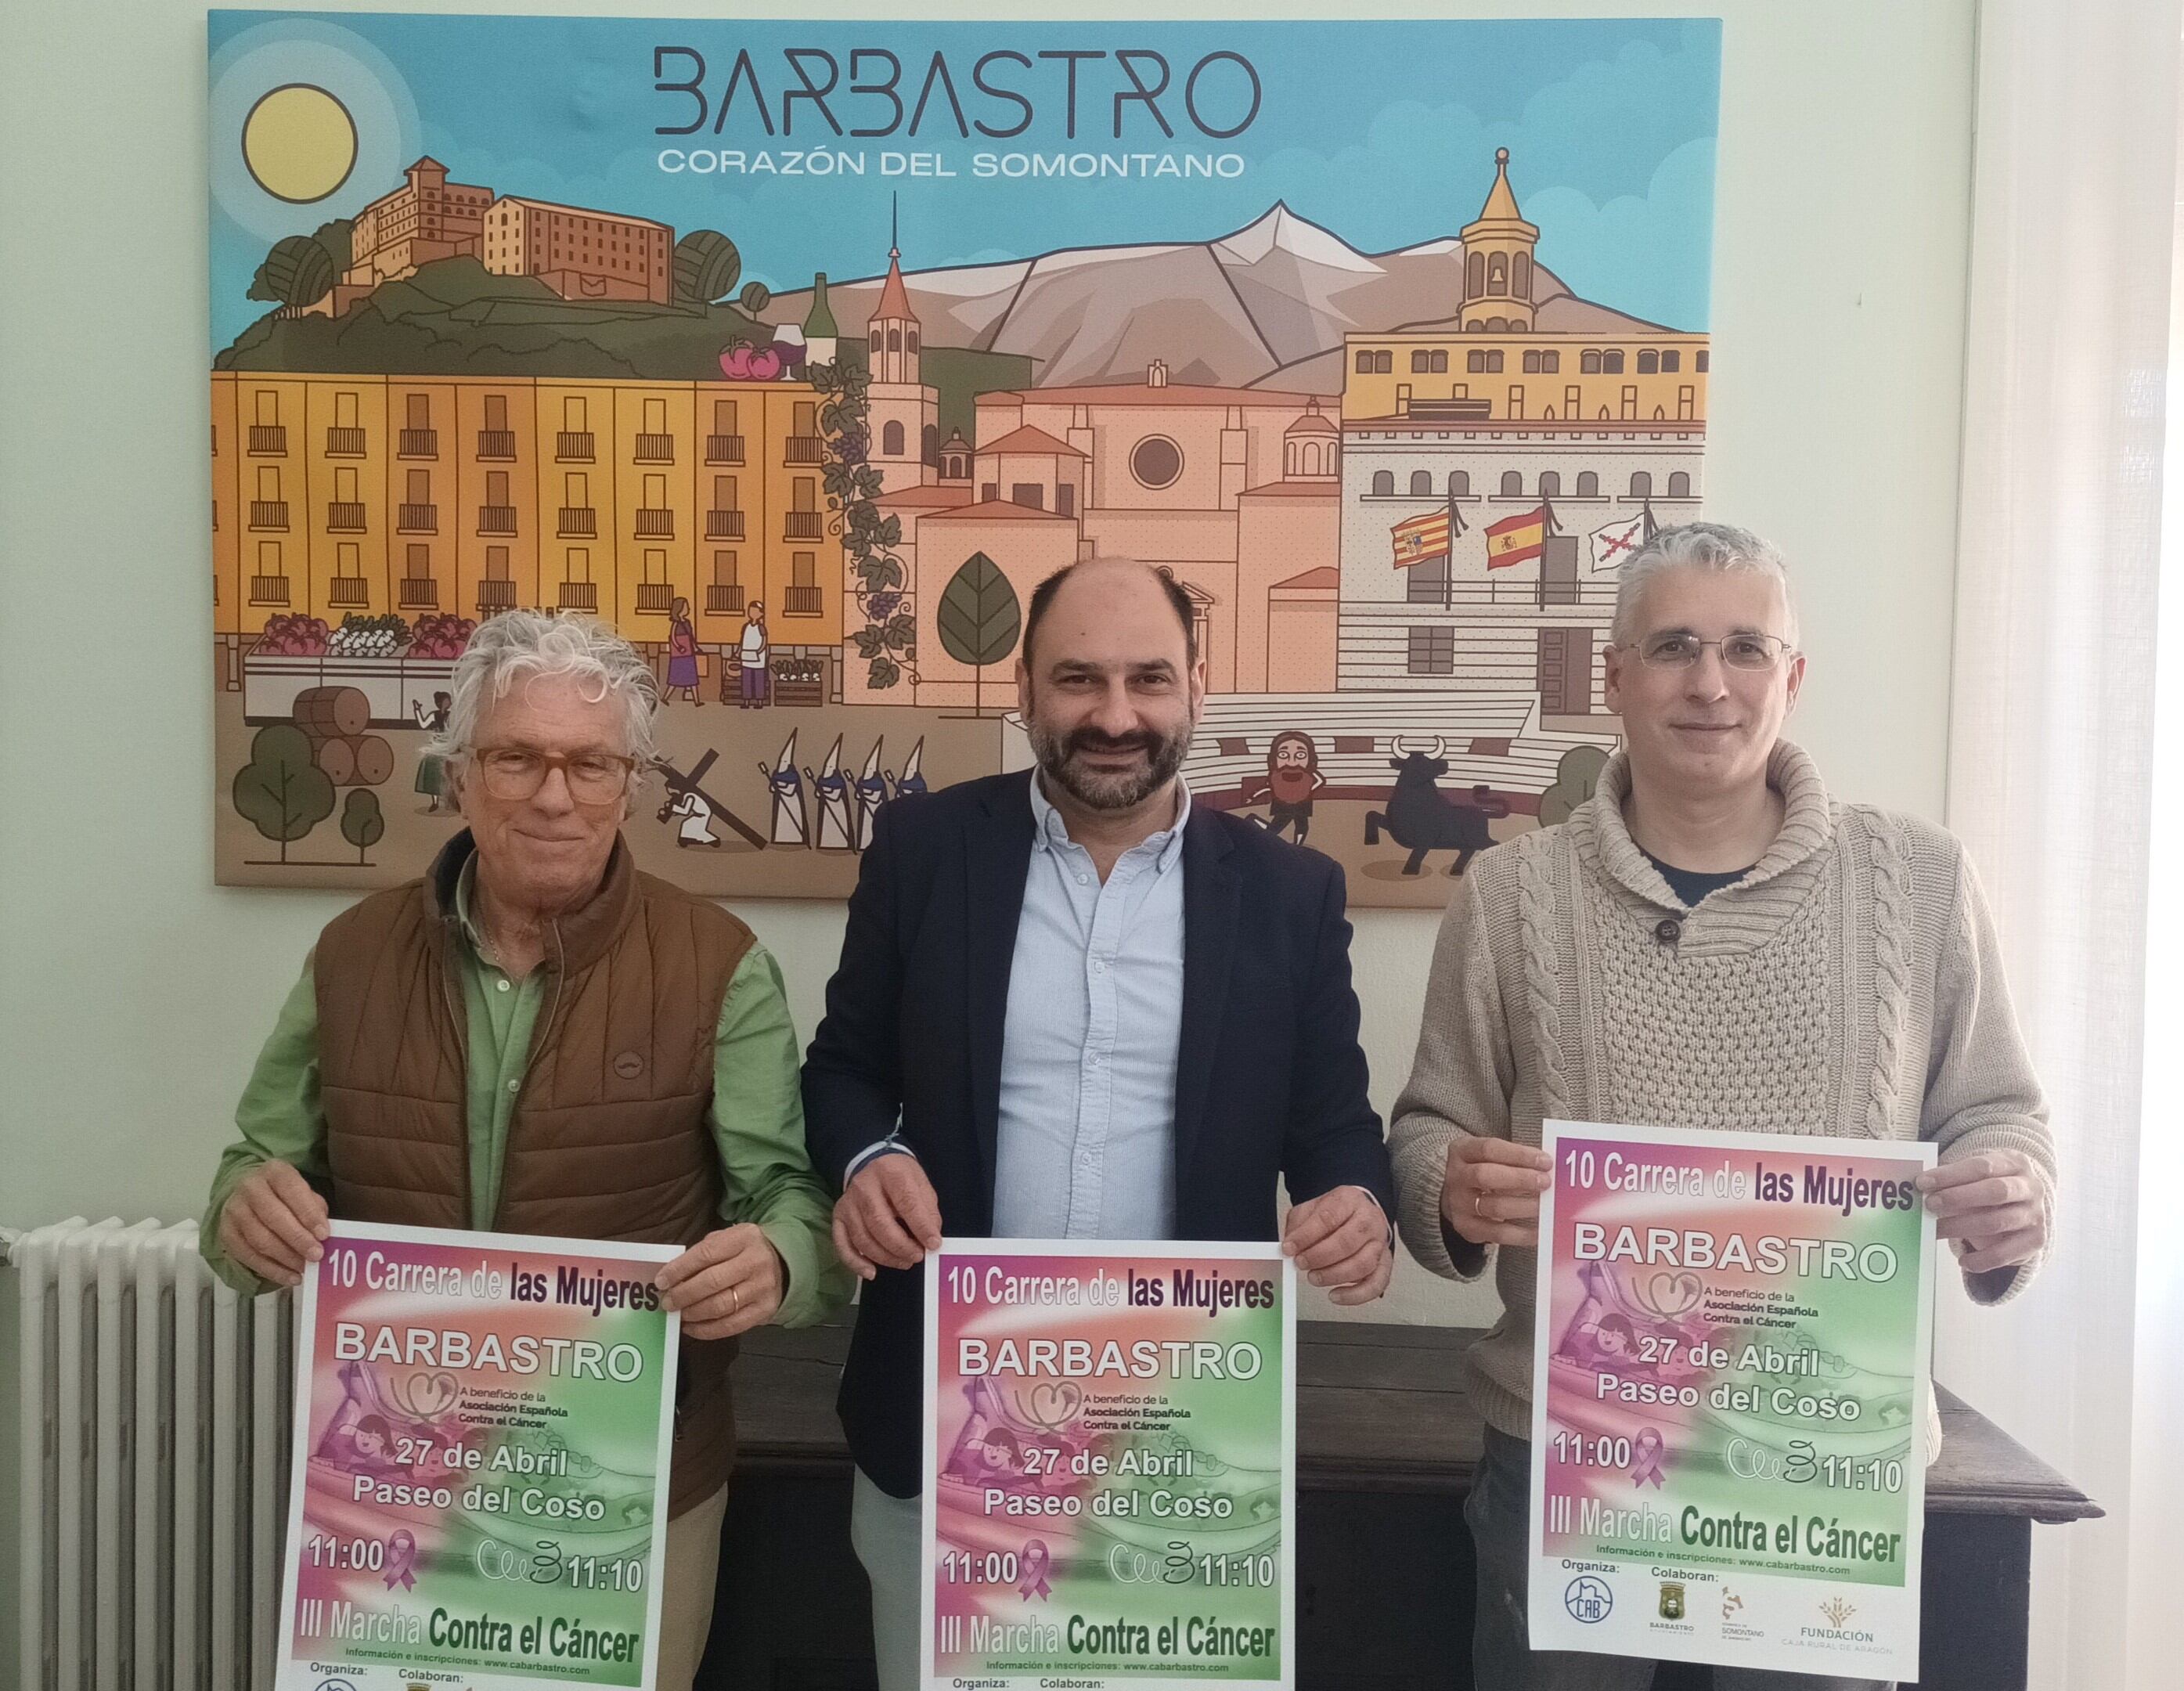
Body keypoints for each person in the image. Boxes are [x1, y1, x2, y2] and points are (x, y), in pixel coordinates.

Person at [1387, 523, 2056, 1691]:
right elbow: (1427, 1124)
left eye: (1746, 648)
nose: (1709, 682)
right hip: (1570, 1457)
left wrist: (2010, 1191)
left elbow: (1999, 1113)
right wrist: (1447, 1187)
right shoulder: (1509, 895)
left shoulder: (1922, 879)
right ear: (1614, 677)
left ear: (1790, 678)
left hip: (1821, 1463)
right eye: (1672, 647)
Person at [200, 610, 850, 1691]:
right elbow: (247, 1181)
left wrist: (778, 1258)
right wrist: (246, 1214)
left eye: (590, 764)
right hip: (390, 1479)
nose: (554, 795)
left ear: (631, 784)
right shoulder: (349, 958)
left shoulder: (717, 966)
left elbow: (793, 1202)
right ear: (459, 775)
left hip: (629, 1485)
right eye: (517, 758)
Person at [802, 557, 1398, 1691]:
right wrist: (867, 1158)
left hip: (1178, 1429)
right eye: (1077, 678)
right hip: (941, 1417)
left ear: (1197, 691)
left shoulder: (1288, 894)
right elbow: (840, 1071)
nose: (1114, 716)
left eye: (1147, 679)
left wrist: (1355, 1204)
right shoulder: (923, 853)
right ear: (1023, 688)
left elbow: (1334, 1128)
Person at [413, 690, 453, 813]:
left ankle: (448, 802)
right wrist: (417, 710)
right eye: (447, 701)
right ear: (441, 703)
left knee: (447, 776)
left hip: (448, 747)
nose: (449, 703)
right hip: (436, 746)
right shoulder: (434, 715)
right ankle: (435, 803)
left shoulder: (452, 715)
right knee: (433, 776)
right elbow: (423, 724)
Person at [665, 596, 702, 705]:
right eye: (686, 606)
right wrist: (679, 647)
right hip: (679, 655)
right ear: (680, 608)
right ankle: (665, 697)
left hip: (689, 652)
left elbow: (691, 636)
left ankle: (697, 701)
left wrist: (695, 647)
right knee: (675, 678)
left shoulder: (687, 622)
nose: (688, 609)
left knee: (693, 677)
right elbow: (672, 637)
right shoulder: (676, 623)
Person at [732, 600, 770, 708]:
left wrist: (759, 651)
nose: (752, 612)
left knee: (758, 680)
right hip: (746, 657)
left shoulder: (761, 627)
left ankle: (759, 702)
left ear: (761, 614)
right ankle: (746, 702)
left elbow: (764, 641)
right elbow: (742, 640)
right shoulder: (745, 626)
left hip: (758, 659)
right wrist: (738, 651)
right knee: (746, 680)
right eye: (751, 610)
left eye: (755, 611)